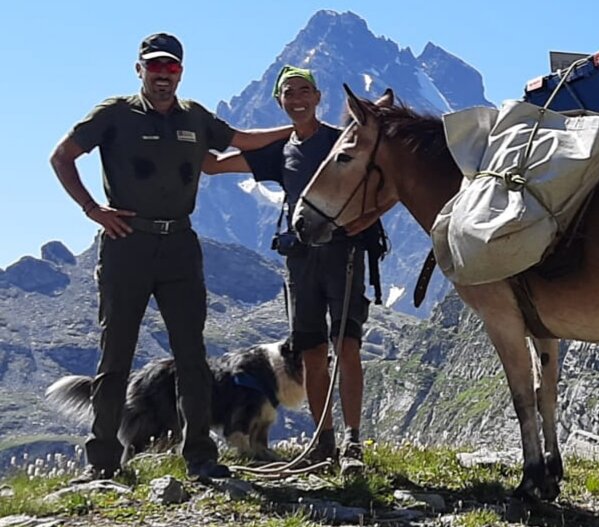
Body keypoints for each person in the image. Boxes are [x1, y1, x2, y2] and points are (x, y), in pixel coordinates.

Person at [49, 33, 296, 481]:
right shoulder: (114, 114)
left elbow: (239, 139)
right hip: (128, 242)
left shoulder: (195, 116)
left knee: (192, 355)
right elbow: (62, 156)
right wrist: (92, 210)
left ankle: (200, 456)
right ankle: (102, 464)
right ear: (139, 69)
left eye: (171, 68)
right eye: (154, 67)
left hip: (180, 245)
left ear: (180, 72)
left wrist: (298, 129)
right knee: (116, 353)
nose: (163, 75)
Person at [203, 66, 380, 473]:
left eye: (305, 91)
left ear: (319, 98)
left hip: (344, 254)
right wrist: (186, 128)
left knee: (347, 347)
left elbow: (389, 185)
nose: (298, 99)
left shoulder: (342, 142)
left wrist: (366, 221)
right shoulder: (278, 151)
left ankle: (352, 443)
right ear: (279, 101)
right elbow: (212, 166)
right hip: (301, 261)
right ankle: (323, 443)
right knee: (313, 353)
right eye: (289, 93)